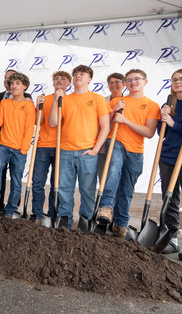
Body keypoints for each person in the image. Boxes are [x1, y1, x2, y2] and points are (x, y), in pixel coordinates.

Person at [96, 69, 160, 238]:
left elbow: (149, 132)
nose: (133, 82)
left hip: (136, 150)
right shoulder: (117, 101)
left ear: (145, 82)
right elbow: (104, 124)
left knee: (127, 188)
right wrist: (113, 110)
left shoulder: (152, 105)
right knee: (114, 168)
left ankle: (120, 223)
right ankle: (106, 207)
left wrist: (125, 120)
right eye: (129, 80)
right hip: (115, 140)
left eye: (136, 79)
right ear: (126, 84)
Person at [49, 65, 111, 229]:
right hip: (65, 151)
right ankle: (64, 220)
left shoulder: (97, 99)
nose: (78, 76)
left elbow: (105, 127)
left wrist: (96, 149)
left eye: (82, 74)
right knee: (64, 189)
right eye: (75, 74)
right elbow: (53, 122)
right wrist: (57, 100)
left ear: (89, 79)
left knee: (87, 190)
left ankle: (86, 220)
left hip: (87, 152)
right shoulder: (65, 99)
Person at [156, 68, 182, 256]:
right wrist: (162, 119)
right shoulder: (168, 103)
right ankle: (171, 238)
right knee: (169, 198)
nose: (177, 82)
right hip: (167, 157)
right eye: (174, 79)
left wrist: (174, 123)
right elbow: (161, 132)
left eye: (181, 79)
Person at [0, 72, 35, 217]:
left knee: (16, 180)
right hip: (3, 145)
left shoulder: (28, 105)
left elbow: (29, 129)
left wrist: (24, 148)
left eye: (17, 84)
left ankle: (10, 210)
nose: (14, 86)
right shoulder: (4, 103)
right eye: (12, 84)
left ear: (24, 86)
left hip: (19, 149)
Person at [31, 71, 71, 224]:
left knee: (57, 184)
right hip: (43, 146)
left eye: (63, 79)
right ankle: (37, 214)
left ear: (69, 83)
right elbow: (38, 122)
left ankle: (52, 214)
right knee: (37, 182)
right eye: (56, 79)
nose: (59, 81)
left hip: (63, 147)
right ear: (53, 83)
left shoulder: (72, 100)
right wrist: (38, 107)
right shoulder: (45, 99)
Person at [98, 73, 125, 180]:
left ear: (124, 84)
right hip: (103, 146)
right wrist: (113, 109)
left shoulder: (130, 101)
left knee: (120, 179)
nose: (113, 85)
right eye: (110, 83)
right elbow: (100, 123)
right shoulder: (102, 101)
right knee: (104, 178)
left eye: (117, 82)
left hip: (123, 145)